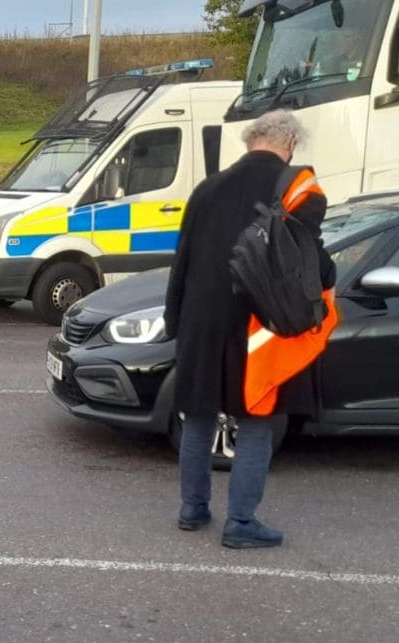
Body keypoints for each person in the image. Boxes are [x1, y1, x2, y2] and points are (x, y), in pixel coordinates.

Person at [163, 110, 333, 550]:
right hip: (261, 323)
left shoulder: (206, 188)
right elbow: (311, 261)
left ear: (249, 141)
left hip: (202, 319)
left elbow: (181, 260)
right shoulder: (299, 187)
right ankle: (241, 522)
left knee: (199, 416)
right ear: (291, 143)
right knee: (258, 420)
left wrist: (174, 319)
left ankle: (192, 509)